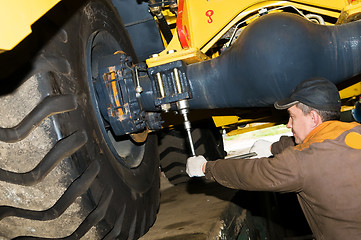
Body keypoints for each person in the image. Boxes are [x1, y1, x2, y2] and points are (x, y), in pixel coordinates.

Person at [186, 78, 361, 240]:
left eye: (292, 116)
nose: (288, 124)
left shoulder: (302, 163)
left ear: (313, 117)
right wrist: (271, 147)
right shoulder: (354, 131)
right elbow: (311, 147)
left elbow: (252, 173)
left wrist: (206, 168)